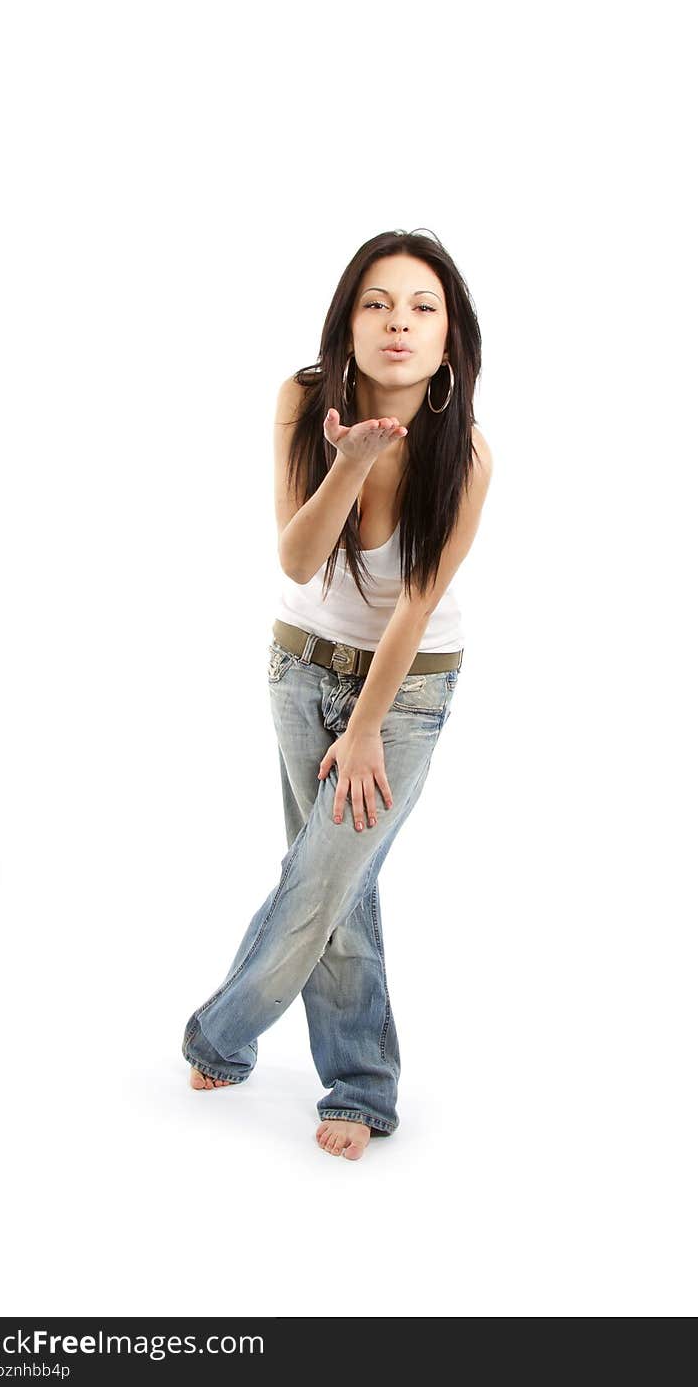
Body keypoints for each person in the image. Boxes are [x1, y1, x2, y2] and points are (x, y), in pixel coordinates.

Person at [181, 228, 493, 1160]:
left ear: (449, 343)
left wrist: (363, 733)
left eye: (422, 307)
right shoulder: (301, 400)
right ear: (347, 320)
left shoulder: (467, 453)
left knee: (319, 885)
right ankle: (359, 1086)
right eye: (378, 303)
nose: (399, 322)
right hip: (295, 665)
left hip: (406, 696)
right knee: (337, 891)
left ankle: (218, 1034)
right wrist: (349, 460)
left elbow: (414, 608)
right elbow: (300, 556)